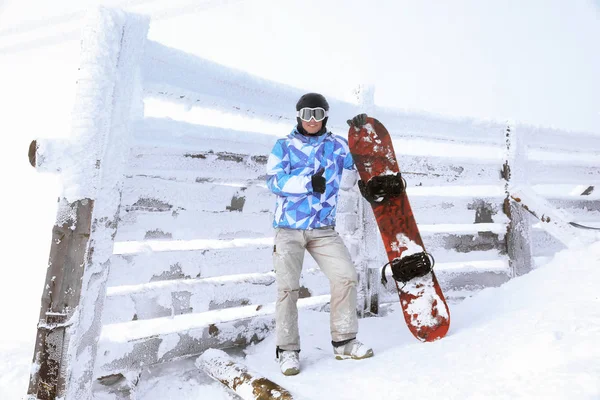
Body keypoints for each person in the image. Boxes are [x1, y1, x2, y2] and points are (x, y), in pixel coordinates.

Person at [266, 93, 373, 376]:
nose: (311, 119)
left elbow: (361, 160)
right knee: (288, 288)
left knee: (346, 276)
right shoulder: (284, 146)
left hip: (323, 230)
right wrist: (306, 182)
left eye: (317, 113)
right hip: (289, 228)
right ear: (298, 116)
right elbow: (274, 181)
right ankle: (287, 351)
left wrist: (362, 133)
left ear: (325, 116)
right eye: (306, 113)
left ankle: (345, 341)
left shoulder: (337, 146)